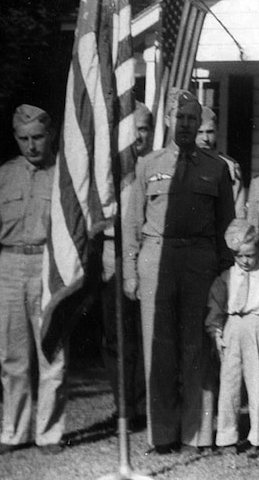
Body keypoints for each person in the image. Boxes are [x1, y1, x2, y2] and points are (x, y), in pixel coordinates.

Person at [123, 89, 235, 454]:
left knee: (196, 347)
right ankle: (163, 434)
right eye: (180, 117)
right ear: (169, 120)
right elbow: (131, 223)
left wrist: (225, 276)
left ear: (199, 122)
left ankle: (197, 432)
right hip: (156, 258)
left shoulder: (216, 168)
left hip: (200, 260)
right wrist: (130, 272)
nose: (185, 125)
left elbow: (226, 227)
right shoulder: (148, 165)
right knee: (158, 346)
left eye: (192, 119)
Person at [0, 104, 67, 455]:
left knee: (52, 354)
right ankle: (14, 432)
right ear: (16, 138)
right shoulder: (3, 176)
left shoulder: (63, 176)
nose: (32, 146)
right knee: (13, 359)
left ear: (51, 136)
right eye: (24, 139)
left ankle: (49, 434)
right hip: (10, 267)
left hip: (48, 268)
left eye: (38, 138)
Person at [99, 101, 154, 431]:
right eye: (131, 132)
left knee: (146, 333)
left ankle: (147, 403)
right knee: (117, 335)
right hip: (113, 255)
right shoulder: (109, 173)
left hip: (147, 255)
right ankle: (124, 406)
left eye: (143, 130)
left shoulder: (158, 167)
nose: (137, 138)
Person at [206, 219, 259, 455]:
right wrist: (216, 333)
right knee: (229, 385)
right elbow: (216, 306)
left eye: (250, 255)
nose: (245, 261)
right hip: (232, 327)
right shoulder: (226, 277)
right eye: (239, 257)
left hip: (258, 326)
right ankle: (227, 437)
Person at [197, 106, 246, 218]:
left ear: (217, 131)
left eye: (210, 132)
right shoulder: (180, 163)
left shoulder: (230, 167)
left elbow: (238, 211)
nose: (205, 138)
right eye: (199, 132)